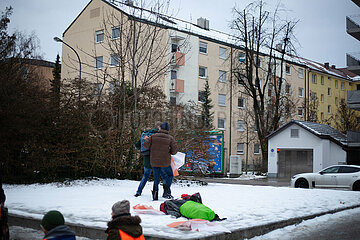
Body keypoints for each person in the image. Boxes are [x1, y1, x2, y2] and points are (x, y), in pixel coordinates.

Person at [144, 122, 177, 200]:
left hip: (154, 161)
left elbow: (146, 146)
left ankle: (155, 194)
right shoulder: (170, 138)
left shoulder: (153, 137)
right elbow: (174, 151)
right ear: (168, 129)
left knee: (156, 178)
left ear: (160, 128)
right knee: (169, 175)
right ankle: (166, 192)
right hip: (165, 162)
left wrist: (146, 140)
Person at [134, 122, 167, 197]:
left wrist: (144, 150)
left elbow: (137, 145)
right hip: (156, 158)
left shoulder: (145, 133)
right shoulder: (159, 135)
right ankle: (166, 193)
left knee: (146, 175)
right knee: (163, 175)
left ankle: (138, 191)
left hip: (146, 158)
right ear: (159, 127)